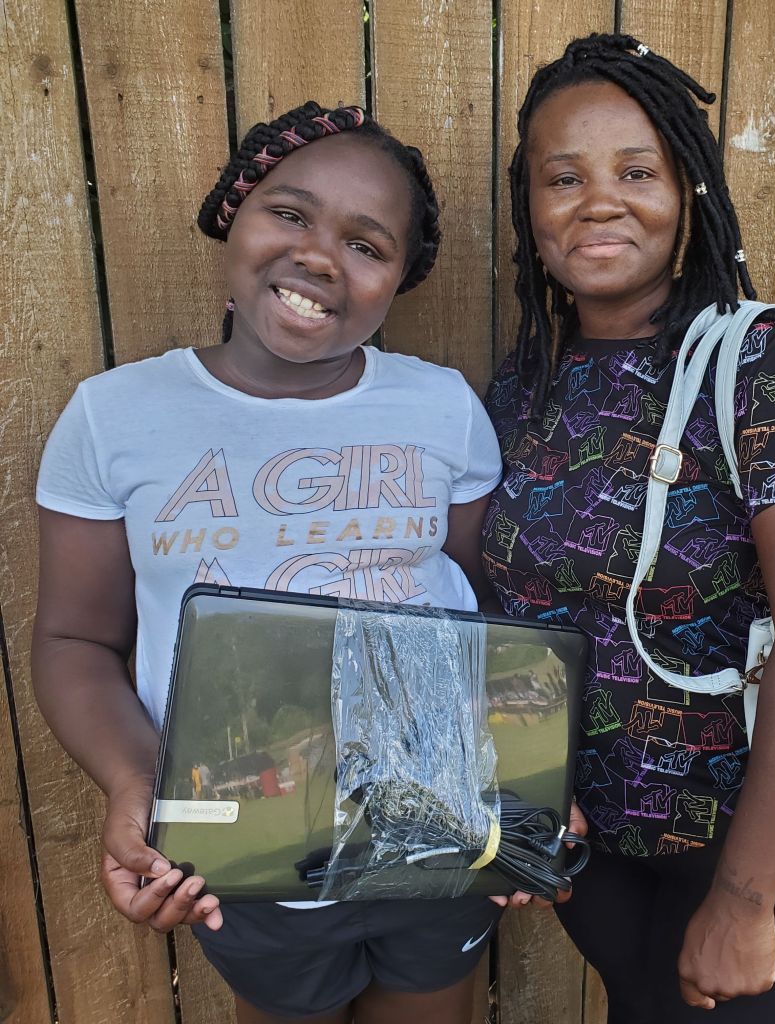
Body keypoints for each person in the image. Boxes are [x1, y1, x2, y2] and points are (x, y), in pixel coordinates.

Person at [33, 101, 504, 1024]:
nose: (320, 255)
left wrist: (519, 794)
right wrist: (139, 785)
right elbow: (75, 638)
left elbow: (478, 611)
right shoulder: (114, 417)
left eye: (367, 245)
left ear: (400, 278)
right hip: (242, 843)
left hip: (433, 829)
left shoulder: (443, 410)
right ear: (233, 215)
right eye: (289, 213)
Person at [483, 34, 775, 1023]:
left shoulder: (758, 363)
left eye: (636, 171)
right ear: (531, 212)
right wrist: (524, 800)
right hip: (594, 843)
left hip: (751, 843)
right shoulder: (520, 387)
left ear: (689, 192)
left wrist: (745, 899)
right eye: (562, 176)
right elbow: (501, 618)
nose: (598, 199)